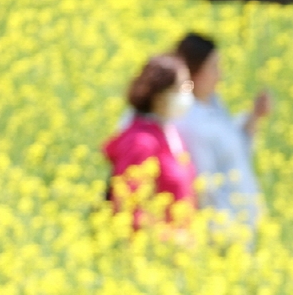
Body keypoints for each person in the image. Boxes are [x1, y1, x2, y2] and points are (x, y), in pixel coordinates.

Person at [173, 32, 272, 239]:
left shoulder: (213, 103)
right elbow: (203, 185)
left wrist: (254, 116)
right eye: (214, 68)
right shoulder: (188, 121)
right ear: (194, 72)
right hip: (222, 230)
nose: (221, 76)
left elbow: (233, 147)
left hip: (241, 224)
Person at [103, 55, 197, 231]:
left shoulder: (170, 134)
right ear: (160, 96)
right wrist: (169, 239)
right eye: (182, 87)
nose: (188, 93)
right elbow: (128, 209)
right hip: (155, 250)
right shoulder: (140, 142)